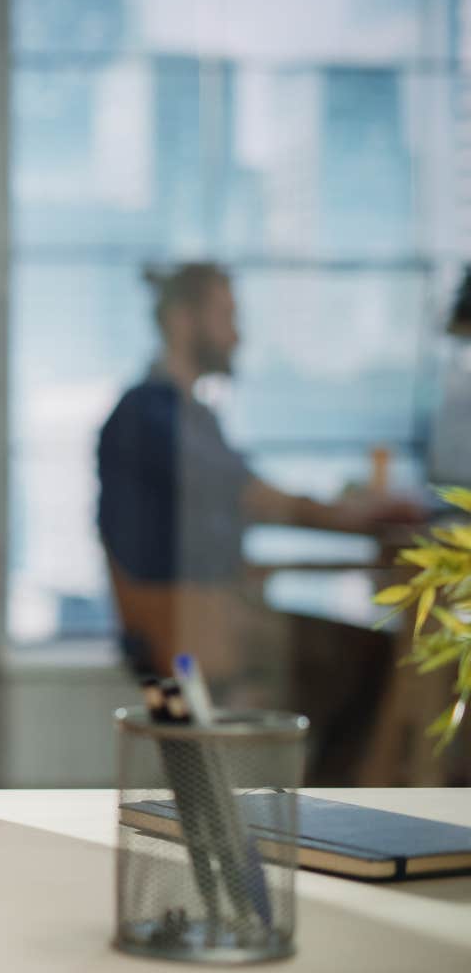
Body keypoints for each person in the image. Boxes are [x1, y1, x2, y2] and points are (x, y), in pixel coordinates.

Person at [96, 263, 423, 779]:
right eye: (226, 315)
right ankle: (339, 820)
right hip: (194, 631)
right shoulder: (152, 412)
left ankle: (329, 817)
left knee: (371, 657)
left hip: (210, 616)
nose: (238, 333)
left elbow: (226, 509)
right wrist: (350, 516)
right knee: (377, 658)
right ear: (184, 321)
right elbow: (250, 495)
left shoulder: (183, 414)